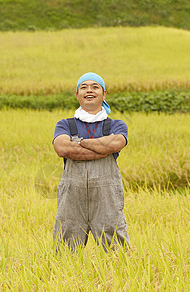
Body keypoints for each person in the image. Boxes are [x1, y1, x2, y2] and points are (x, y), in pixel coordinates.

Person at [52, 72, 130, 252]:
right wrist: (101, 148)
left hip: (107, 198)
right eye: (84, 87)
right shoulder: (65, 124)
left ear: (104, 94)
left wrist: (79, 142)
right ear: (77, 94)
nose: (89, 90)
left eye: (95, 87)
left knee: (118, 252)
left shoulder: (116, 125)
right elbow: (62, 149)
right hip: (72, 199)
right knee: (64, 251)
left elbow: (115, 143)